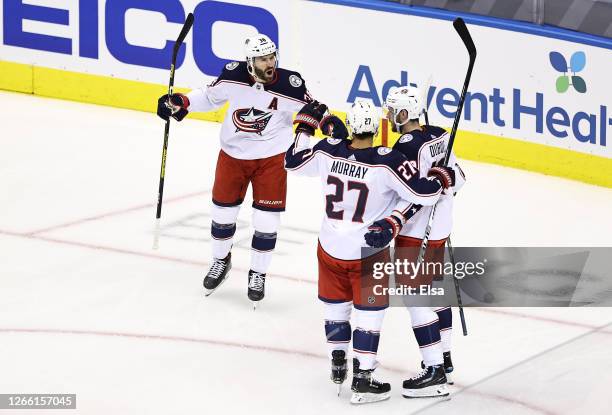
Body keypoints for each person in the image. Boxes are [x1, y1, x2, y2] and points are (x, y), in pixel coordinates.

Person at [284, 100, 455, 404]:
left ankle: (338, 361)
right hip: (368, 249)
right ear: (378, 128)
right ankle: (363, 378)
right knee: (370, 313)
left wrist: (306, 128)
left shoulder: (328, 150)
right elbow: (424, 193)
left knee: (336, 307)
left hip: (330, 246)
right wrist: (442, 177)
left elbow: (293, 161)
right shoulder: (386, 161)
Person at [156, 34, 313, 305]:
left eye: (272, 56)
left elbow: (312, 111)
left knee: (266, 223)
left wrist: (306, 135)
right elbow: (209, 97)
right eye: (263, 59)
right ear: (250, 62)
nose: (270, 63)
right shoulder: (233, 75)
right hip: (232, 155)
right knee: (222, 216)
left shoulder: (290, 84)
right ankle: (221, 261)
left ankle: (258, 273)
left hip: (271, 159)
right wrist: (182, 102)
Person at [384, 86, 466, 398]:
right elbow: (459, 179)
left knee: (415, 298)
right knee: (433, 292)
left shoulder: (406, 146)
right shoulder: (441, 135)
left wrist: (393, 220)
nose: (389, 116)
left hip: (416, 232)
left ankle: (434, 371)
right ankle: (444, 358)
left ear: (403, 114)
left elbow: (412, 194)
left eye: (393, 110)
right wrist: (444, 179)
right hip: (440, 229)